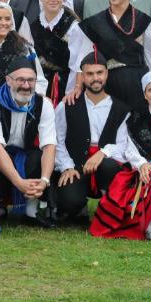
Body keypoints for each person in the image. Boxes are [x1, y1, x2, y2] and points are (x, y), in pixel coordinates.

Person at [89, 71, 151, 241]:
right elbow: (129, 148)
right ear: (145, 94)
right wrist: (142, 165)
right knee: (134, 188)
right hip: (144, 171)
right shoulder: (134, 118)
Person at [53, 51, 129, 223]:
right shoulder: (67, 105)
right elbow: (58, 140)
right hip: (76, 165)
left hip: (106, 166)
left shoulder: (120, 108)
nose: (95, 78)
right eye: (90, 74)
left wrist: (102, 153)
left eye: (99, 73)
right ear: (83, 77)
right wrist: (67, 167)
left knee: (108, 165)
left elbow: (124, 144)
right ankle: (78, 207)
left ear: (107, 73)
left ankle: (108, 206)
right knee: (69, 202)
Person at [0, 56, 58, 227]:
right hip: (1, 152)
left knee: (38, 156)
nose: (26, 85)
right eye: (20, 80)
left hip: (26, 153)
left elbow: (49, 145)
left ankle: (31, 212)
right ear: (8, 80)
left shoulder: (43, 104)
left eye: (30, 80)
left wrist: (44, 181)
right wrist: (18, 182)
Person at [75, 0, 151, 113]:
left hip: (137, 81)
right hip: (108, 83)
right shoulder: (96, 22)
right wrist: (77, 86)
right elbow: (83, 56)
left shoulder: (142, 20)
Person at [28, 0, 86, 102]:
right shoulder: (34, 26)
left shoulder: (72, 26)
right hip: (40, 86)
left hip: (67, 85)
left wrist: (73, 89)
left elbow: (78, 62)